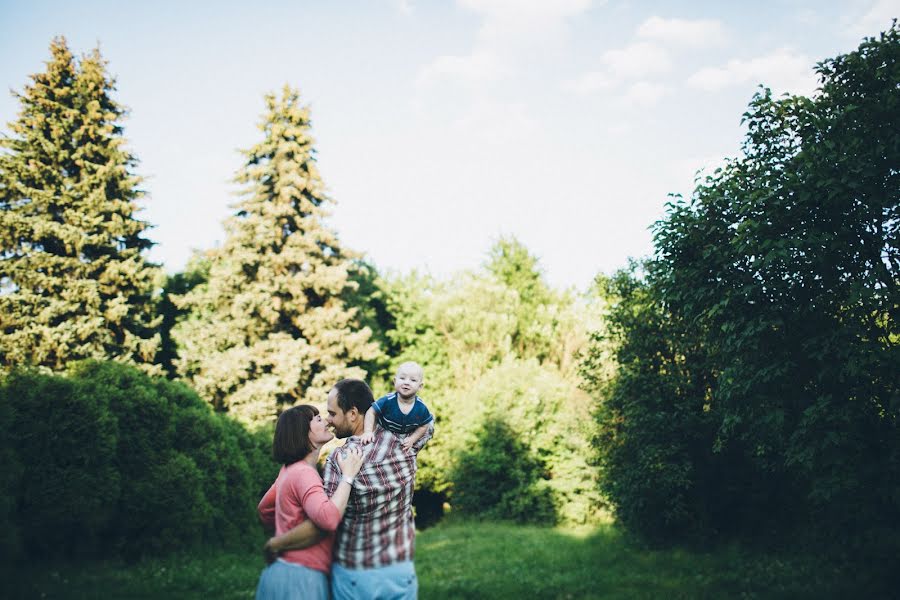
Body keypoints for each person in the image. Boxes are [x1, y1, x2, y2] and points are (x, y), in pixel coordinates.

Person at [264, 378, 434, 600]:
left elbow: (324, 522)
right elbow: (428, 425)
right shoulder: (405, 441)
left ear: (353, 414)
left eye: (333, 414)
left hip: (355, 573)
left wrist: (277, 543)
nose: (329, 421)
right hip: (399, 570)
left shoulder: (341, 458)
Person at [255, 404, 365, 600]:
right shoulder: (305, 473)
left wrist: (287, 532)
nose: (326, 421)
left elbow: (265, 509)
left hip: (281, 573)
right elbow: (329, 519)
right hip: (301, 578)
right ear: (303, 432)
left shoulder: (288, 470)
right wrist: (348, 476)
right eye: (317, 419)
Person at [360, 361, 433, 453]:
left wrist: (412, 439)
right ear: (395, 381)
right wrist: (368, 431)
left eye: (413, 380)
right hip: (383, 430)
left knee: (428, 423)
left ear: (420, 386)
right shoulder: (387, 400)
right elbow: (371, 412)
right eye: (402, 378)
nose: (406, 382)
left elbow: (424, 425)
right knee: (374, 450)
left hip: (405, 436)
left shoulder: (421, 408)